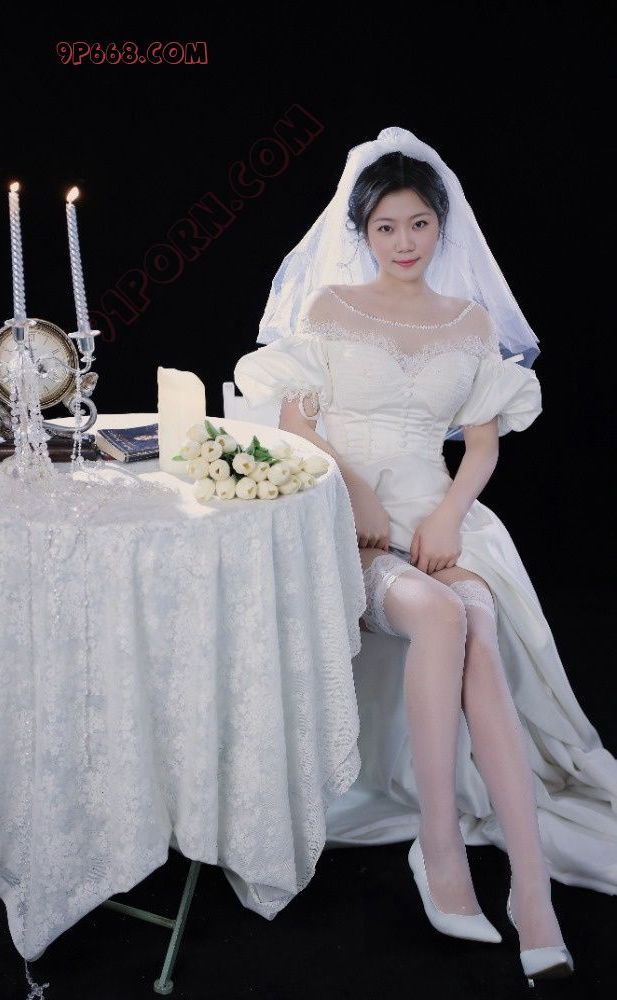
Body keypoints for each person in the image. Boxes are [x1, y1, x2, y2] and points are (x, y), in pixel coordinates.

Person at [234, 127, 617, 986]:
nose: (403, 242)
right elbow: (297, 425)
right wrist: (359, 498)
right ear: (362, 232)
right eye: (386, 227)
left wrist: (448, 515)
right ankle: (439, 848)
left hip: (436, 517)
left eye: (418, 225)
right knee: (444, 613)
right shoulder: (329, 307)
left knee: (472, 608)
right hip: (347, 516)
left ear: (441, 226)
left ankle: (530, 893)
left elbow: (479, 444)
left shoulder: (469, 320)